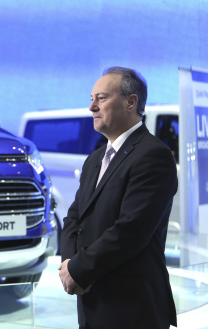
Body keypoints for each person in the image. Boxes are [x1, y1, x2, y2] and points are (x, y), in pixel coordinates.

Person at [58, 66, 178, 329]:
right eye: (91, 98)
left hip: (132, 306)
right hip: (91, 300)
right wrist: (69, 265)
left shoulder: (153, 155)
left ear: (131, 102)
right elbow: (75, 218)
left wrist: (79, 271)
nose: (91, 107)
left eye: (101, 98)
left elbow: (130, 231)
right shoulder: (94, 160)